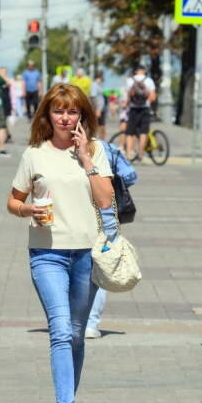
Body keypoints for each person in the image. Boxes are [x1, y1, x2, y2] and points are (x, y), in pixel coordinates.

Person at [7, 84, 114, 403]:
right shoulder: (34, 155)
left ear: (83, 116)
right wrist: (27, 209)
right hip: (46, 252)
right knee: (60, 328)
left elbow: (106, 201)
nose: (66, 118)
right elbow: (13, 200)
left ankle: (69, 402)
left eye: (73, 112)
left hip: (86, 254)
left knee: (76, 335)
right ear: (47, 116)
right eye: (59, 111)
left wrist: (86, 159)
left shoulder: (95, 151)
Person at [85, 138, 138, 339]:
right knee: (100, 270)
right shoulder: (108, 148)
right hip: (106, 216)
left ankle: (75, 320)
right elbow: (131, 176)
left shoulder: (60, 147)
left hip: (75, 218)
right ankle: (91, 323)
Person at [123, 65, 156, 162]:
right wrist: (148, 102)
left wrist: (127, 104)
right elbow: (153, 97)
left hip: (133, 109)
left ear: (135, 71)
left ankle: (128, 154)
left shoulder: (130, 81)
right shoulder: (149, 81)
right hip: (145, 109)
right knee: (143, 132)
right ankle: (140, 154)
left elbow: (127, 97)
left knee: (130, 132)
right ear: (144, 71)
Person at [90, 69, 107, 139]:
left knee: (102, 126)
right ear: (100, 76)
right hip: (98, 109)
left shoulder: (100, 85)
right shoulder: (94, 84)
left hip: (102, 108)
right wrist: (97, 109)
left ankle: (102, 142)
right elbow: (93, 97)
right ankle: (95, 141)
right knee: (97, 126)